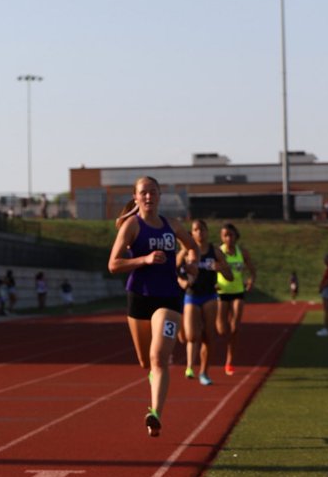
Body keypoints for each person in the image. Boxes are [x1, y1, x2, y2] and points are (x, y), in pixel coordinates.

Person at [107, 176, 197, 437]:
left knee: (159, 358)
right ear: (136, 197)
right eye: (143, 193)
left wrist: (192, 265)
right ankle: (154, 377)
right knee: (145, 361)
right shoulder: (132, 226)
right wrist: (144, 259)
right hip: (140, 297)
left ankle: (155, 413)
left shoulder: (172, 225)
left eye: (153, 192)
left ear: (159, 196)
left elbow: (192, 247)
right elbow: (113, 264)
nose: (149, 196)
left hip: (169, 298)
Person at [177, 219, 231, 386]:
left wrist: (221, 268)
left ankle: (204, 372)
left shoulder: (215, 252)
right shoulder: (186, 252)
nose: (200, 232)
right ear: (192, 233)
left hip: (209, 296)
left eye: (202, 229)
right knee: (191, 335)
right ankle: (190, 365)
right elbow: (173, 272)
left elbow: (230, 276)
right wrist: (182, 282)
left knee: (209, 336)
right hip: (191, 295)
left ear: (207, 232)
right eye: (196, 230)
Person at [214, 222, 256, 377]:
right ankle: (227, 339)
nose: (228, 238)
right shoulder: (218, 252)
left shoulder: (242, 252)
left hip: (238, 291)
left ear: (235, 236)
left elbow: (252, 269)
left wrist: (251, 280)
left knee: (235, 327)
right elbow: (210, 269)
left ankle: (229, 360)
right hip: (222, 291)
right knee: (221, 329)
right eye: (225, 235)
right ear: (221, 237)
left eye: (230, 235)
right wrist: (212, 283)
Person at [316, 253, 328, 337]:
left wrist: (321, 287)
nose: (324, 261)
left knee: (327, 310)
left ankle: (326, 328)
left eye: (325, 259)